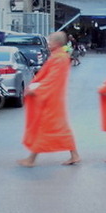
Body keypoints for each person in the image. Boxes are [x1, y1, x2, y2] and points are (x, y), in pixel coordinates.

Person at [18, 31, 81, 167]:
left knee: (43, 128)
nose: (48, 43)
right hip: (53, 97)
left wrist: (37, 90)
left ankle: (31, 159)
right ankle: (74, 155)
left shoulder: (59, 58)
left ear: (57, 43)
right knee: (60, 127)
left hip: (51, 98)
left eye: (51, 41)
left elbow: (52, 80)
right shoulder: (58, 56)